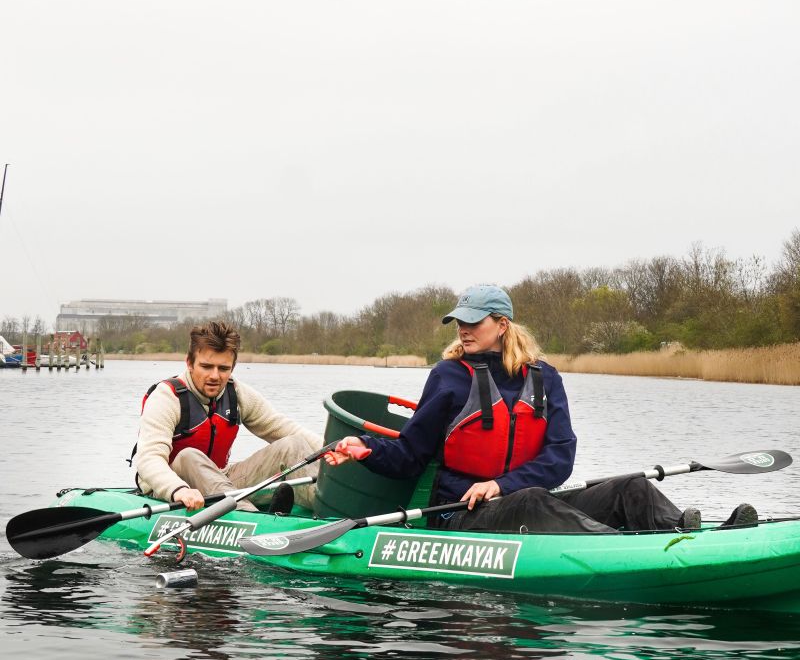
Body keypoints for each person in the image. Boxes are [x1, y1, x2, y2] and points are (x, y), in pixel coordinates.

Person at [325, 285, 757, 534]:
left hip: (529, 499)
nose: (463, 328)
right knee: (530, 500)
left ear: (502, 325)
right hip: (460, 516)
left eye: (473, 321)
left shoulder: (545, 378)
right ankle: (624, 547)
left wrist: (503, 483)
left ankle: (690, 534)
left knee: (631, 486)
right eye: (460, 321)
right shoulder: (448, 376)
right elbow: (410, 455)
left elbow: (559, 458)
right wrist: (365, 447)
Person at [133, 320, 321, 512]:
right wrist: (178, 489)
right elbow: (149, 458)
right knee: (189, 456)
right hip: (172, 486)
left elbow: (282, 427)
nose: (215, 376)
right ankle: (251, 517)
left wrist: (336, 449)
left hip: (221, 480)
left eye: (223, 368)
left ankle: (332, 513)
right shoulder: (166, 397)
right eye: (206, 366)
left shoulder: (237, 393)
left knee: (293, 444)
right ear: (189, 363)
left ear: (233, 366)